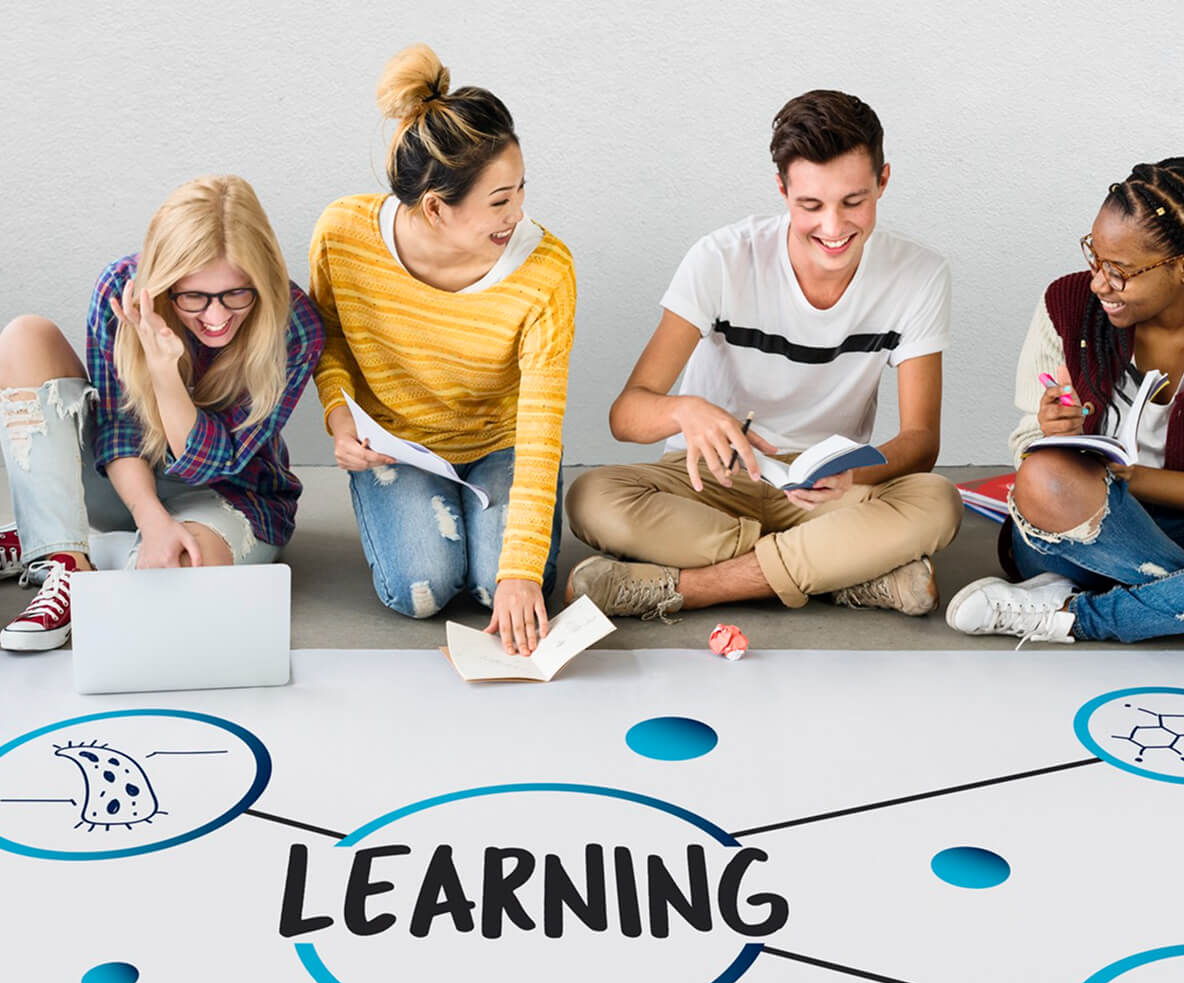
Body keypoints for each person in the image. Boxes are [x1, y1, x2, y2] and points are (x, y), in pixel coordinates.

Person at [564, 90, 961, 621]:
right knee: (591, 496)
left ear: (883, 181)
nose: (834, 227)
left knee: (937, 502)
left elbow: (921, 441)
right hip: (710, 480)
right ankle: (844, 576)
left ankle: (687, 587)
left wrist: (855, 477)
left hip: (827, 492)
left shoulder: (919, 274)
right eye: (810, 205)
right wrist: (687, 410)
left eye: (854, 201)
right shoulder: (721, 259)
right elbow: (626, 414)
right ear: (782, 189)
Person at [309, 44, 576, 656]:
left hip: (501, 440)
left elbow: (541, 424)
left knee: (495, 590)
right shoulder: (343, 235)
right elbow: (330, 336)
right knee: (419, 592)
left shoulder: (547, 270)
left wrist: (517, 574)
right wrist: (339, 414)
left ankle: (492, 545)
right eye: (500, 200)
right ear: (436, 207)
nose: (518, 212)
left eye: (520, 190)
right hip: (398, 443)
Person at [0, 175, 324, 652]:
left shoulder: (294, 323)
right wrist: (150, 516)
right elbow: (118, 431)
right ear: (164, 281)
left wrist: (164, 371)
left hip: (229, 494)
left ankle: (49, 538)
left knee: (173, 584)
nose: (216, 317)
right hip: (124, 478)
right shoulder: (121, 289)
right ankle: (67, 562)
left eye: (238, 293)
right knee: (25, 336)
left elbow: (219, 462)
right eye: (193, 297)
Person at [946, 158, 1184, 644]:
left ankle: (1073, 613)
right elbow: (1029, 453)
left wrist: (1135, 479)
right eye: (1094, 258)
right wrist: (1052, 436)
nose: (1099, 282)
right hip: (1072, 534)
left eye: (1121, 270)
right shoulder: (1067, 306)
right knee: (1044, 476)